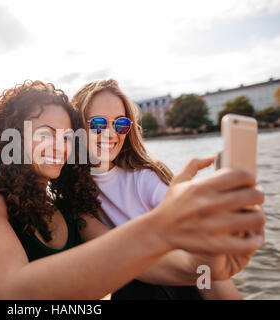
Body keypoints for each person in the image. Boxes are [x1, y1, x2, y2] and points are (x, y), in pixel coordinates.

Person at [0, 80, 265, 300]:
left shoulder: (68, 211)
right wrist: (162, 228)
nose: (60, 144)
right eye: (47, 133)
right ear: (11, 139)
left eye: (67, 135)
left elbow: (143, 263)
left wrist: (207, 266)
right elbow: (14, 293)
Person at [71, 78, 256, 299]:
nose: (111, 134)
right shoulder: (74, 193)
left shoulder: (143, 178)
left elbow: (203, 260)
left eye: (120, 124)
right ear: (77, 127)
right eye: (98, 124)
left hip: (184, 284)